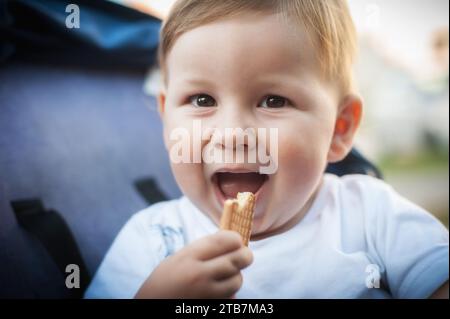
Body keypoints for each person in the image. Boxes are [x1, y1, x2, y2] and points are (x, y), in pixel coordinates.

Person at [85, 0, 449, 298]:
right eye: (201, 99)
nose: (231, 134)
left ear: (340, 129)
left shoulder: (371, 215)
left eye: (273, 100)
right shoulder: (153, 240)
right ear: (167, 120)